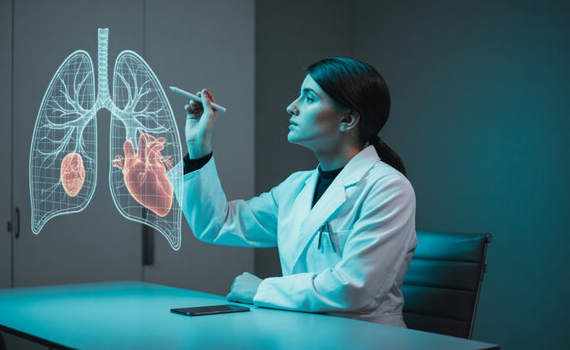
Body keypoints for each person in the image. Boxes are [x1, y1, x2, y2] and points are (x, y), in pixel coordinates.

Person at [174, 58, 416, 328]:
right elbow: (216, 224)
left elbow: (355, 288)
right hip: (303, 333)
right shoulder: (296, 188)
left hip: (365, 339)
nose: (291, 107)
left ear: (347, 119)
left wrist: (262, 290)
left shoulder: (388, 187)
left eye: (309, 98)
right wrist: (198, 145)